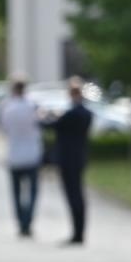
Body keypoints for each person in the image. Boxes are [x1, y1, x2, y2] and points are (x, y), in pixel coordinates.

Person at [47, 79, 94, 246]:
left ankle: (77, 233)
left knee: (73, 196)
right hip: (79, 158)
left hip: (68, 160)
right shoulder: (86, 114)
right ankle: (79, 232)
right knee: (78, 196)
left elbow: (54, 125)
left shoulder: (72, 114)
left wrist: (51, 115)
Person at [0, 77, 43, 238]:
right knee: (32, 192)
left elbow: (3, 129)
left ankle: (20, 221)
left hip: (14, 154)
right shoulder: (32, 106)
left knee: (16, 193)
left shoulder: (7, 107)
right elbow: (40, 124)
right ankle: (28, 220)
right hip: (32, 154)